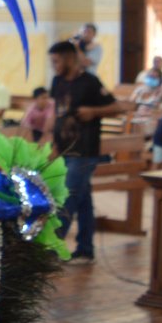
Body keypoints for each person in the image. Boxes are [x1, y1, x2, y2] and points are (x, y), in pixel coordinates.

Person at [49, 38, 124, 262]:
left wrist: (93, 111)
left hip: (85, 150)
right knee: (83, 199)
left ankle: (52, 245)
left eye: (56, 61)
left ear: (69, 58)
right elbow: (57, 114)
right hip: (64, 149)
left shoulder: (90, 82)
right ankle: (85, 248)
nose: (54, 66)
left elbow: (116, 107)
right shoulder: (57, 82)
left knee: (69, 195)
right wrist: (53, 144)